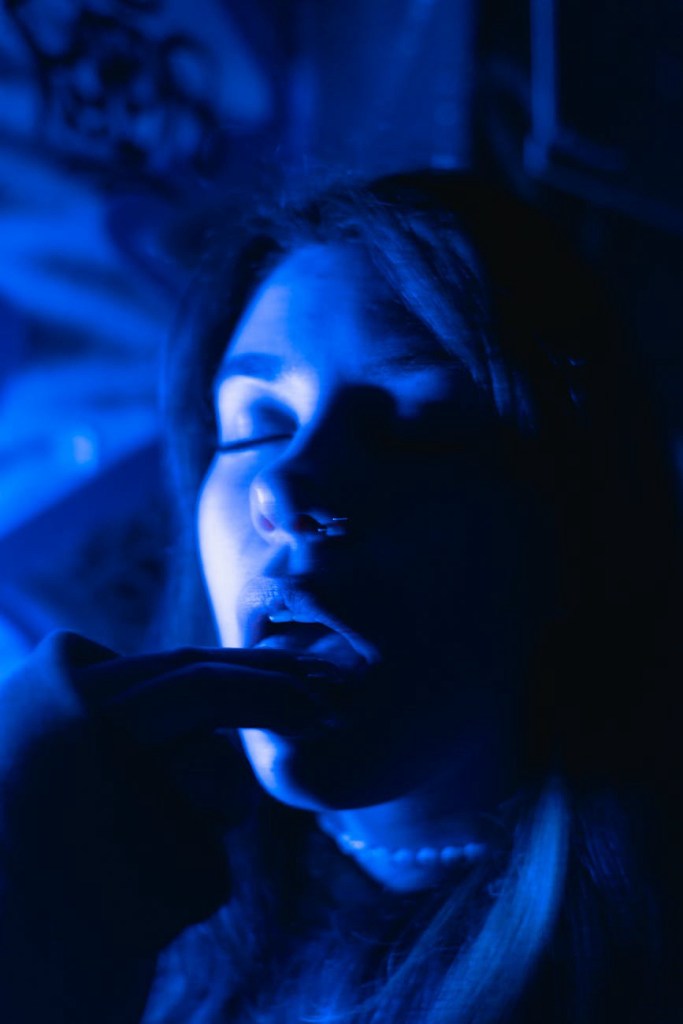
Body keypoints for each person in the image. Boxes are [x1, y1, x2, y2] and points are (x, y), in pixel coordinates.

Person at [0, 171, 680, 1024]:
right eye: (256, 426)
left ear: (574, 518)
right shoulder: (128, 902)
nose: (284, 487)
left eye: (418, 424)